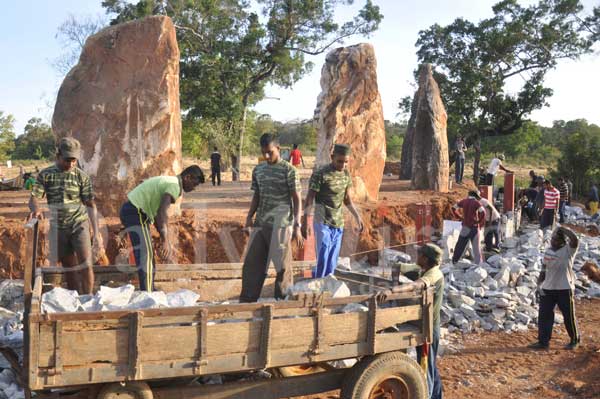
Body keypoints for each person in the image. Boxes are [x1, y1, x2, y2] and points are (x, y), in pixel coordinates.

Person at [28, 138, 104, 295]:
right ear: (58, 156)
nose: (70, 164)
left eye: (74, 160)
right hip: (58, 228)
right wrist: (36, 209)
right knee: (69, 267)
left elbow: (90, 205)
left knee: (86, 264)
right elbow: (34, 197)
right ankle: (75, 298)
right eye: (67, 160)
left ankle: (87, 297)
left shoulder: (81, 177)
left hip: (79, 225)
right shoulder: (46, 175)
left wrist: (96, 233)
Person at [240, 134, 303, 302]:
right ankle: (247, 302)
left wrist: (297, 225)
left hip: (281, 225)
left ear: (279, 149)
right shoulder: (259, 170)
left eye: (270, 152)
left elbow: (297, 199)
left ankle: (282, 302)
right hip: (261, 224)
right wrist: (249, 217)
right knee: (252, 265)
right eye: (263, 153)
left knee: (283, 268)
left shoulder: (289, 171)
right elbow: (257, 195)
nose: (267, 156)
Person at [120, 166, 205, 291]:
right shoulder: (174, 185)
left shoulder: (170, 182)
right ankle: (148, 293)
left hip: (136, 212)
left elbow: (157, 215)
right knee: (145, 254)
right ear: (187, 177)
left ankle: (150, 289)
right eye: (194, 184)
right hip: (135, 212)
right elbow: (162, 212)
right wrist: (165, 240)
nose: (194, 188)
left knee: (148, 255)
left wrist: (162, 236)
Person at [376, 244, 445, 399]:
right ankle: (437, 396)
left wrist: (392, 291)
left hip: (429, 327)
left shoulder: (434, 274)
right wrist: (394, 282)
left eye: (419, 254)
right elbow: (397, 266)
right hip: (421, 322)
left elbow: (417, 284)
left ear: (426, 259)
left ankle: (427, 396)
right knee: (430, 363)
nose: (417, 256)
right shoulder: (421, 267)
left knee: (426, 364)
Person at [302, 144, 364, 278]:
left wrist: (357, 217)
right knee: (323, 255)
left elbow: (347, 199)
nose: (343, 165)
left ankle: (327, 285)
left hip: (338, 223)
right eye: (340, 161)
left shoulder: (346, 175)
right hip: (322, 221)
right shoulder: (320, 173)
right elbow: (309, 198)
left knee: (332, 259)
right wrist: (305, 221)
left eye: (346, 162)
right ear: (332, 157)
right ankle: (319, 284)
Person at [530, 226, 580, 350]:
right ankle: (543, 341)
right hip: (548, 288)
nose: (553, 241)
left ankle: (575, 340)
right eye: (552, 239)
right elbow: (544, 268)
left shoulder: (569, 250)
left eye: (556, 239)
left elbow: (574, 239)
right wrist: (539, 284)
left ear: (563, 241)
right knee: (544, 315)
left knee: (568, 316)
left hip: (564, 288)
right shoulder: (548, 251)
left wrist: (563, 229)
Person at [451, 190, 486, 264]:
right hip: (474, 227)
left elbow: (453, 208)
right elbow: (483, 213)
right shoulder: (476, 203)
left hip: (465, 227)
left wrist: (459, 217)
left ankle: (454, 261)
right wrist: (478, 221)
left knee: (460, 245)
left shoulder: (464, 201)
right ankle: (478, 264)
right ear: (476, 196)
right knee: (476, 248)